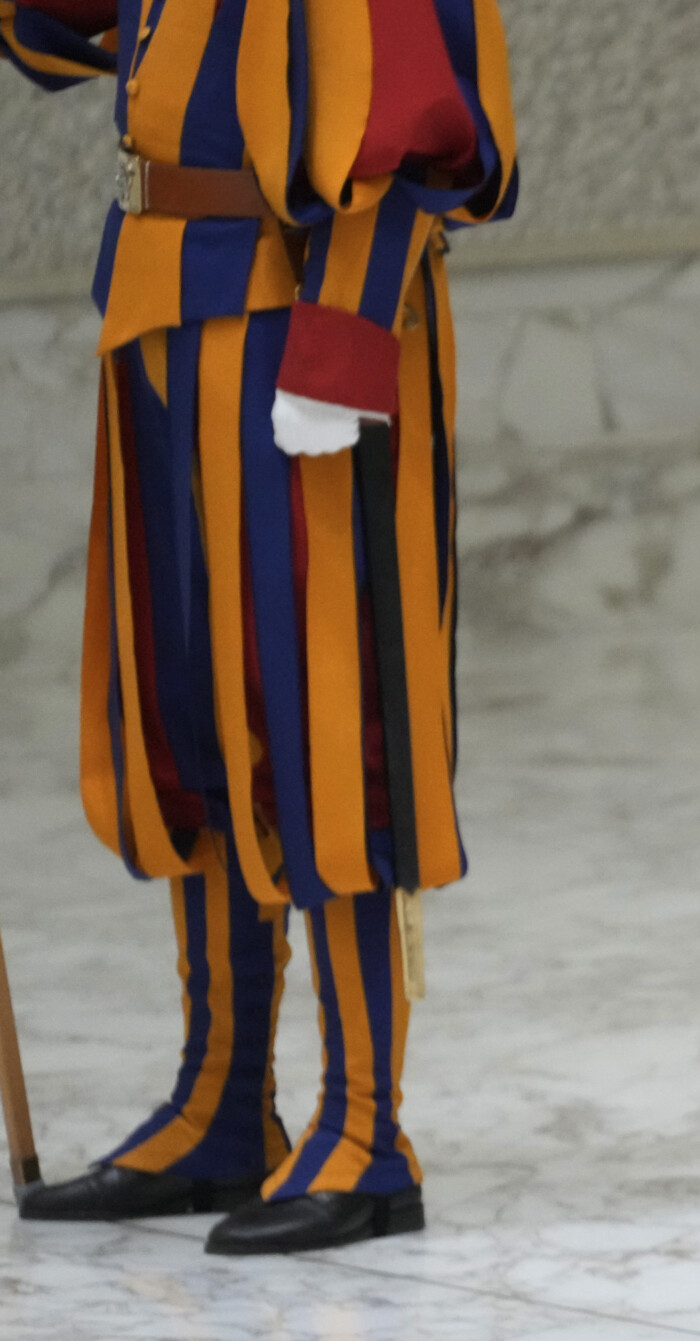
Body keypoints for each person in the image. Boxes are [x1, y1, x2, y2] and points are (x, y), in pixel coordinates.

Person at [4, 0, 517, 1254]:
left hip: (307, 317)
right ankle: (224, 1110)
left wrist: (341, 349)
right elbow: (79, 29)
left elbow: (424, 132)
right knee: (191, 701)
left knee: (324, 716)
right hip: (159, 297)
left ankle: (366, 1130)